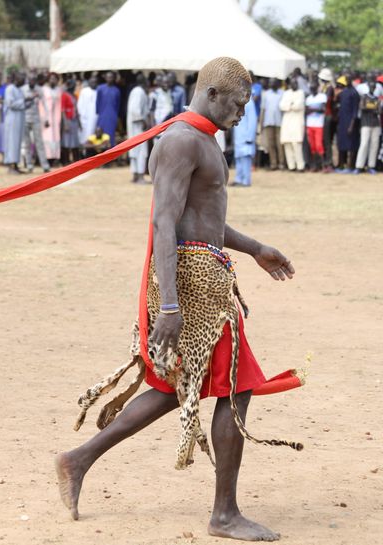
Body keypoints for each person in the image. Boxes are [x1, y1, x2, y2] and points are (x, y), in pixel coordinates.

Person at [55, 57, 295, 542]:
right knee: (235, 384)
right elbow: (165, 223)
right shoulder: (183, 140)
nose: (243, 113)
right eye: (238, 102)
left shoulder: (202, 139)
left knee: (172, 390)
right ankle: (224, 514)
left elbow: (200, 222)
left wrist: (255, 249)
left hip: (204, 273)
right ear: (210, 93)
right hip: (190, 282)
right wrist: (168, 304)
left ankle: (77, 460)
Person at [354, 72, 382, 174]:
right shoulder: (364, 96)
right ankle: (359, 166)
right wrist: (373, 109)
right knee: (364, 144)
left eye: (374, 87)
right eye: (371, 86)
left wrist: (372, 108)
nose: (372, 88)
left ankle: (371, 166)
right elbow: (362, 107)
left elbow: (379, 110)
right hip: (365, 123)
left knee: (374, 145)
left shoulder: (377, 99)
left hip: (376, 124)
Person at [21, 73, 50, 173]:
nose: (31, 82)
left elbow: (45, 104)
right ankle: (29, 165)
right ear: (27, 80)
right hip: (25, 119)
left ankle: (45, 165)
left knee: (39, 143)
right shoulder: (23, 89)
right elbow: (21, 103)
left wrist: (46, 118)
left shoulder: (39, 89)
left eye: (33, 80)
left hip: (36, 119)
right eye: (30, 80)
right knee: (27, 143)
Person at [2, 72, 28, 174]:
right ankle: (10, 166)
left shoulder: (19, 90)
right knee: (11, 142)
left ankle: (16, 165)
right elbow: (11, 104)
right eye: (23, 79)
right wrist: (24, 101)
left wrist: (29, 101)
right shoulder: (10, 89)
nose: (24, 82)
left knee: (17, 142)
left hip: (19, 118)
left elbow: (23, 103)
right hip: (12, 119)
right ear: (17, 79)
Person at [126, 73, 150, 183]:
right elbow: (134, 110)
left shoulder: (137, 91)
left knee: (135, 150)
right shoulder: (139, 92)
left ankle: (135, 175)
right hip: (137, 126)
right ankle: (139, 176)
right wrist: (144, 121)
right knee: (141, 151)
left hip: (135, 126)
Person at [279, 77, 305, 172]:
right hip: (287, 122)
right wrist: (291, 105)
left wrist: (289, 105)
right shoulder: (286, 93)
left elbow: (298, 106)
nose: (294, 85)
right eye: (293, 83)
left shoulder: (301, 93)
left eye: (296, 83)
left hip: (297, 122)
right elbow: (281, 106)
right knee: (287, 143)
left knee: (296, 144)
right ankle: (291, 166)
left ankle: (300, 166)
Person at [334, 75, 359, 173]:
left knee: (351, 145)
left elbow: (355, 111)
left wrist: (351, 125)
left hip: (350, 122)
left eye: (349, 79)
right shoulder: (343, 92)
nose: (347, 81)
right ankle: (341, 165)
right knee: (341, 144)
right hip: (342, 122)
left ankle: (351, 166)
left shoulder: (354, 93)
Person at [259, 78, 284, 170]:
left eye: (273, 83)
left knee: (279, 144)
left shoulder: (282, 93)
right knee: (270, 144)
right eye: (270, 82)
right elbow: (263, 109)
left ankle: (281, 163)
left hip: (279, 122)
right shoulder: (266, 94)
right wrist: (261, 123)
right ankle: (273, 164)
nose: (271, 84)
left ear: (277, 84)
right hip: (268, 122)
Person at [232, 100, 258, 186]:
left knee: (245, 158)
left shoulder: (250, 103)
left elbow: (253, 121)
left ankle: (246, 181)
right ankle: (238, 179)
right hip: (238, 136)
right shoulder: (238, 102)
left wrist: (250, 137)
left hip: (246, 136)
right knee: (238, 158)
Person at [39, 72, 63, 163]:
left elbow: (60, 104)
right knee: (47, 137)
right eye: (51, 79)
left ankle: (55, 157)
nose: (53, 80)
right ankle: (47, 158)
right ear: (48, 80)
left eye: (55, 79)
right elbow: (41, 105)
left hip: (56, 118)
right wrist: (44, 118)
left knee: (56, 137)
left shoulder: (59, 90)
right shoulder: (43, 90)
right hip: (46, 118)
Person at [304, 80, 328, 172]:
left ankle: (324, 165)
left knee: (319, 145)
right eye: (311, 88)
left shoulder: (322, 97)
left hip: (319, 124)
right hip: (310, 124)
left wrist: (312, 110)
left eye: (314, 88)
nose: (312, 90)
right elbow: (306, 111)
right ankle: (314, 166)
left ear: (317, 88)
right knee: (312, 146)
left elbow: (322, 110)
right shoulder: (308, 98)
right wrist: (315, 109)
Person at [95, 71, 121, 149]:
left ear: (114, 78)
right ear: (105, 78)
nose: (110, 79)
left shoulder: (117, 90)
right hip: (102, 115)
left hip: (112, 115)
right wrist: (98, 113)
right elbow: (97, 102)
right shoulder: (100, 88)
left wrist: (116, 116)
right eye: (108, 77)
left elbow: (118, 104)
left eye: (111, 77)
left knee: (110, 134)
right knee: (100, 133)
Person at [318, 68, 336, 170]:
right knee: (323, 140)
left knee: (327, 140)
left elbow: (327, 101)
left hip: (327, 116)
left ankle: (328, 162)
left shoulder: (329, 88)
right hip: (322, 116)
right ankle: (325, 161)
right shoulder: (324, 88)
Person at [60, 78, 80, 164]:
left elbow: (76, 108)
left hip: (74, 119)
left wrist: (79, 122)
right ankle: (66, 160)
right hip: (67, 119)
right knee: (67, 140)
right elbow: (63, 110)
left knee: (74, 140)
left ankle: (75, 160)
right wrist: (65, 123)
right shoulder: (64, 95)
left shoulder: (74, 95)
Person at [77, 75, 98, 148]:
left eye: (95, 82)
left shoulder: (98, 91)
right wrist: (80, 116)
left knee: (92, 135)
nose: (93, 84)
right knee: (83, 136)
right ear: (89, 82)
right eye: (92, 82)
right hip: (84, 118)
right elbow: (79, 105)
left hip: (94, 118)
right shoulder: (84, 91)